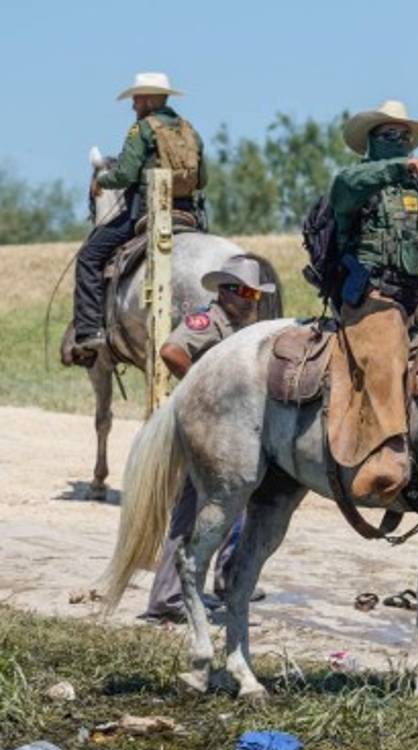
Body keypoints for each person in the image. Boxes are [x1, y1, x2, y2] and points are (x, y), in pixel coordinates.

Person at [327, 99, 418, 506]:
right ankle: (384, 457)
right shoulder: (352, 182)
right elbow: (348, 188)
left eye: (404, 136)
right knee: (389, 351)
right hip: (373, 299)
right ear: (372, 142)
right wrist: (400, 167)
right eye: (390, 135)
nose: (400, 142)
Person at [140, 255, 274, 623]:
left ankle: (221, 583)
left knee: (234, 509)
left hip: (227, 435)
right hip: (203, 430)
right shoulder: (208, 320)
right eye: (245, 292)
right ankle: (167, 599)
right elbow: (171, 350)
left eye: (256, 295)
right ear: (226, 292)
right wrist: (203, 388)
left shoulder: (237, 327)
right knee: (189, 514)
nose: (251, 300)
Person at [71, 72, 206, 365]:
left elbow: (126, 174)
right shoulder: (190, 130)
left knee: (89, 257)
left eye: (136, 99)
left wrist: (103, 179)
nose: (133, 105)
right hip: (189, 213)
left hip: (146, 212)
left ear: (148, 99)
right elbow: (203, 179)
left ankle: (89, 331)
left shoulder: (141, 129)